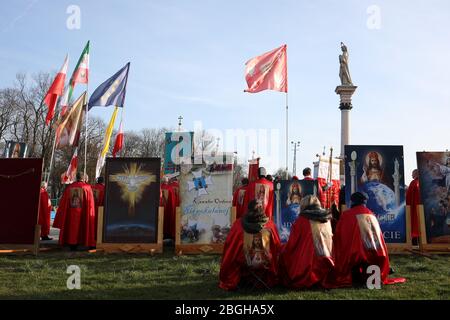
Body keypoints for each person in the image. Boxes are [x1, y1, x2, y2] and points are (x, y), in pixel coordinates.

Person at [333, 192, 406, 287]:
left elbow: (340, 235)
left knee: (351, 252)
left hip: (354, 254)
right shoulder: (371, 214)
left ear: (352, 201)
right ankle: (371, 276)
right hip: (373, 252)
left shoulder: (347, 215)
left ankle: (356, 277)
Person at [219, 200, 281, 290]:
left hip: (243, 263)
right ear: (262, 210)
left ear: (248, 210)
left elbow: (230, 246)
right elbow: (277, 247)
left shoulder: (238, 225)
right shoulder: (270, 226)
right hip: (266, 263)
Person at [279, 195, 334, 289]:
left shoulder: (302, 220)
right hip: (327, 261)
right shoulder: (327, 219)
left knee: (283, 254)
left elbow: (292, 244)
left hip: (310, 263)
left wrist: (282, 248)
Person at [53, 172, 96, 251]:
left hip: (71, 213)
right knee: (84, 226)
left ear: (76, 178)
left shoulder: (69, 187)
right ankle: (83, 242)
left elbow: (64, 203)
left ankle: (71, 244)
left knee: (72, 227)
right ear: (83, 178)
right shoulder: (87, 187)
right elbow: (90, 204)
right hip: (83, 213)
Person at [406, 169, 421, 245]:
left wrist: (407, 206)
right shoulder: (422, 183)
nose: (411, 175)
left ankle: (414, 242)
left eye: (412, 174)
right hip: (421, 208)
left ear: (416, 174)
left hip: (414, 207)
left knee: (414, 225)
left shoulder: (414, 182)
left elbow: (408, 196)